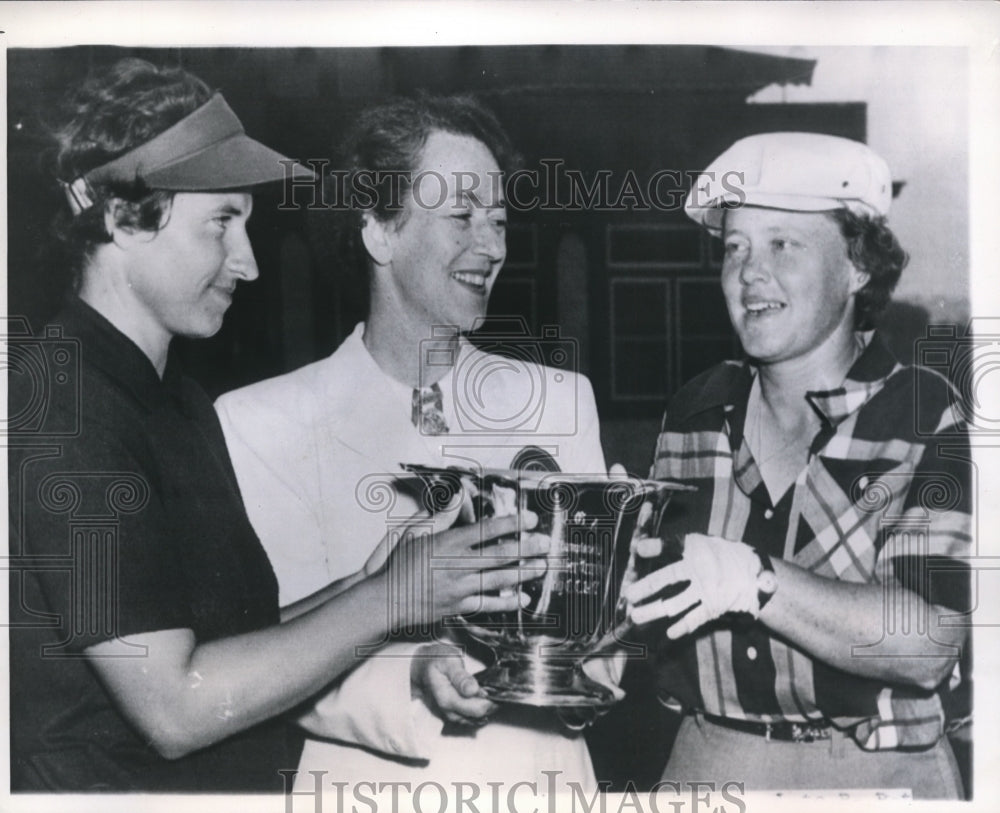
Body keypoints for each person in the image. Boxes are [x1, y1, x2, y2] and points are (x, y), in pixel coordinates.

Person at [7, 60, 545, 793]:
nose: (250, 263)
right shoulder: (65, 409)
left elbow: (231, 648)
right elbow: (175, 707)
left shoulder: (176, 403)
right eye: (222, 223)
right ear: (122, 217)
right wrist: (391, 599)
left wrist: (373, 581)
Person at [215, 95, 607, 795]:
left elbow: (591, 643)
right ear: (378, 230)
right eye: (461, 216)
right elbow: (263, 658)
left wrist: (608, 603)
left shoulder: (561, 400)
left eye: (499, 221)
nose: (491, 246)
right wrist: (416, 679)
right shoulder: (262, 420)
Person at [618, 132, 972, 798]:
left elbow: (928, 642)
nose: (750, 272)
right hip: (706, 762)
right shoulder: (694, 410)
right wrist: (604, 556)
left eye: (783, 243)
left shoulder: (923, 413)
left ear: (859, 265)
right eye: (735, 247)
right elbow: (653, 622)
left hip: (876, 776)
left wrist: (757, 580)